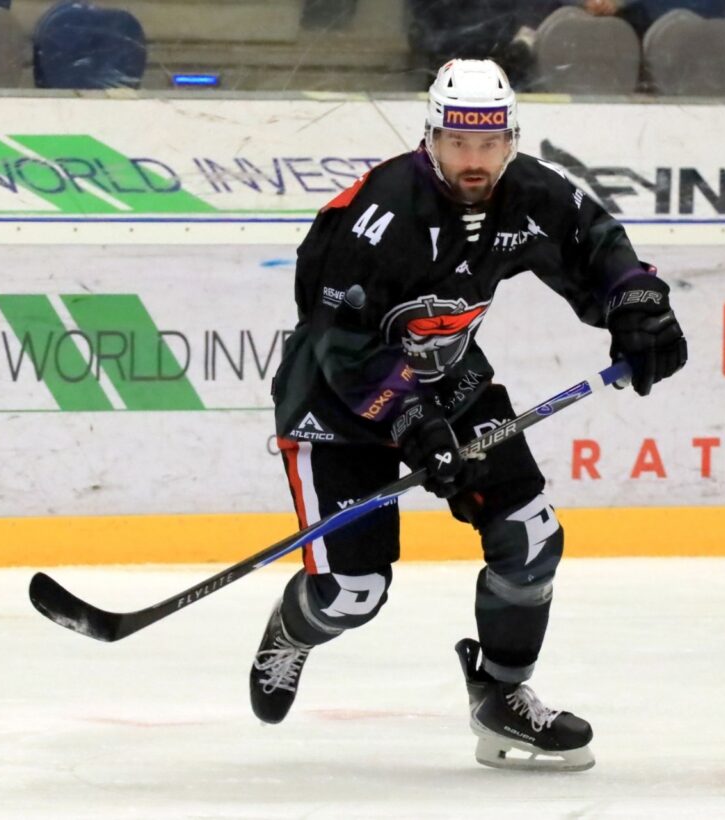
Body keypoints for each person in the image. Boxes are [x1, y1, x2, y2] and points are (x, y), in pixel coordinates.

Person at [250, 58, 687, 771]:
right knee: (353, 594)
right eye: (458, 142)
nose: (474, 160)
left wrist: (637, 306)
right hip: (337, 401)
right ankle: (292, 633)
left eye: (489, 143)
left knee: (530, 536)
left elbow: (595, 241)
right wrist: (410, 422)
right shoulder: (378, 215)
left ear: (511, 139)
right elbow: (339, 342)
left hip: (449, 384)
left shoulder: (529, 192)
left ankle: (501, 697)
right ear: (431, 137)